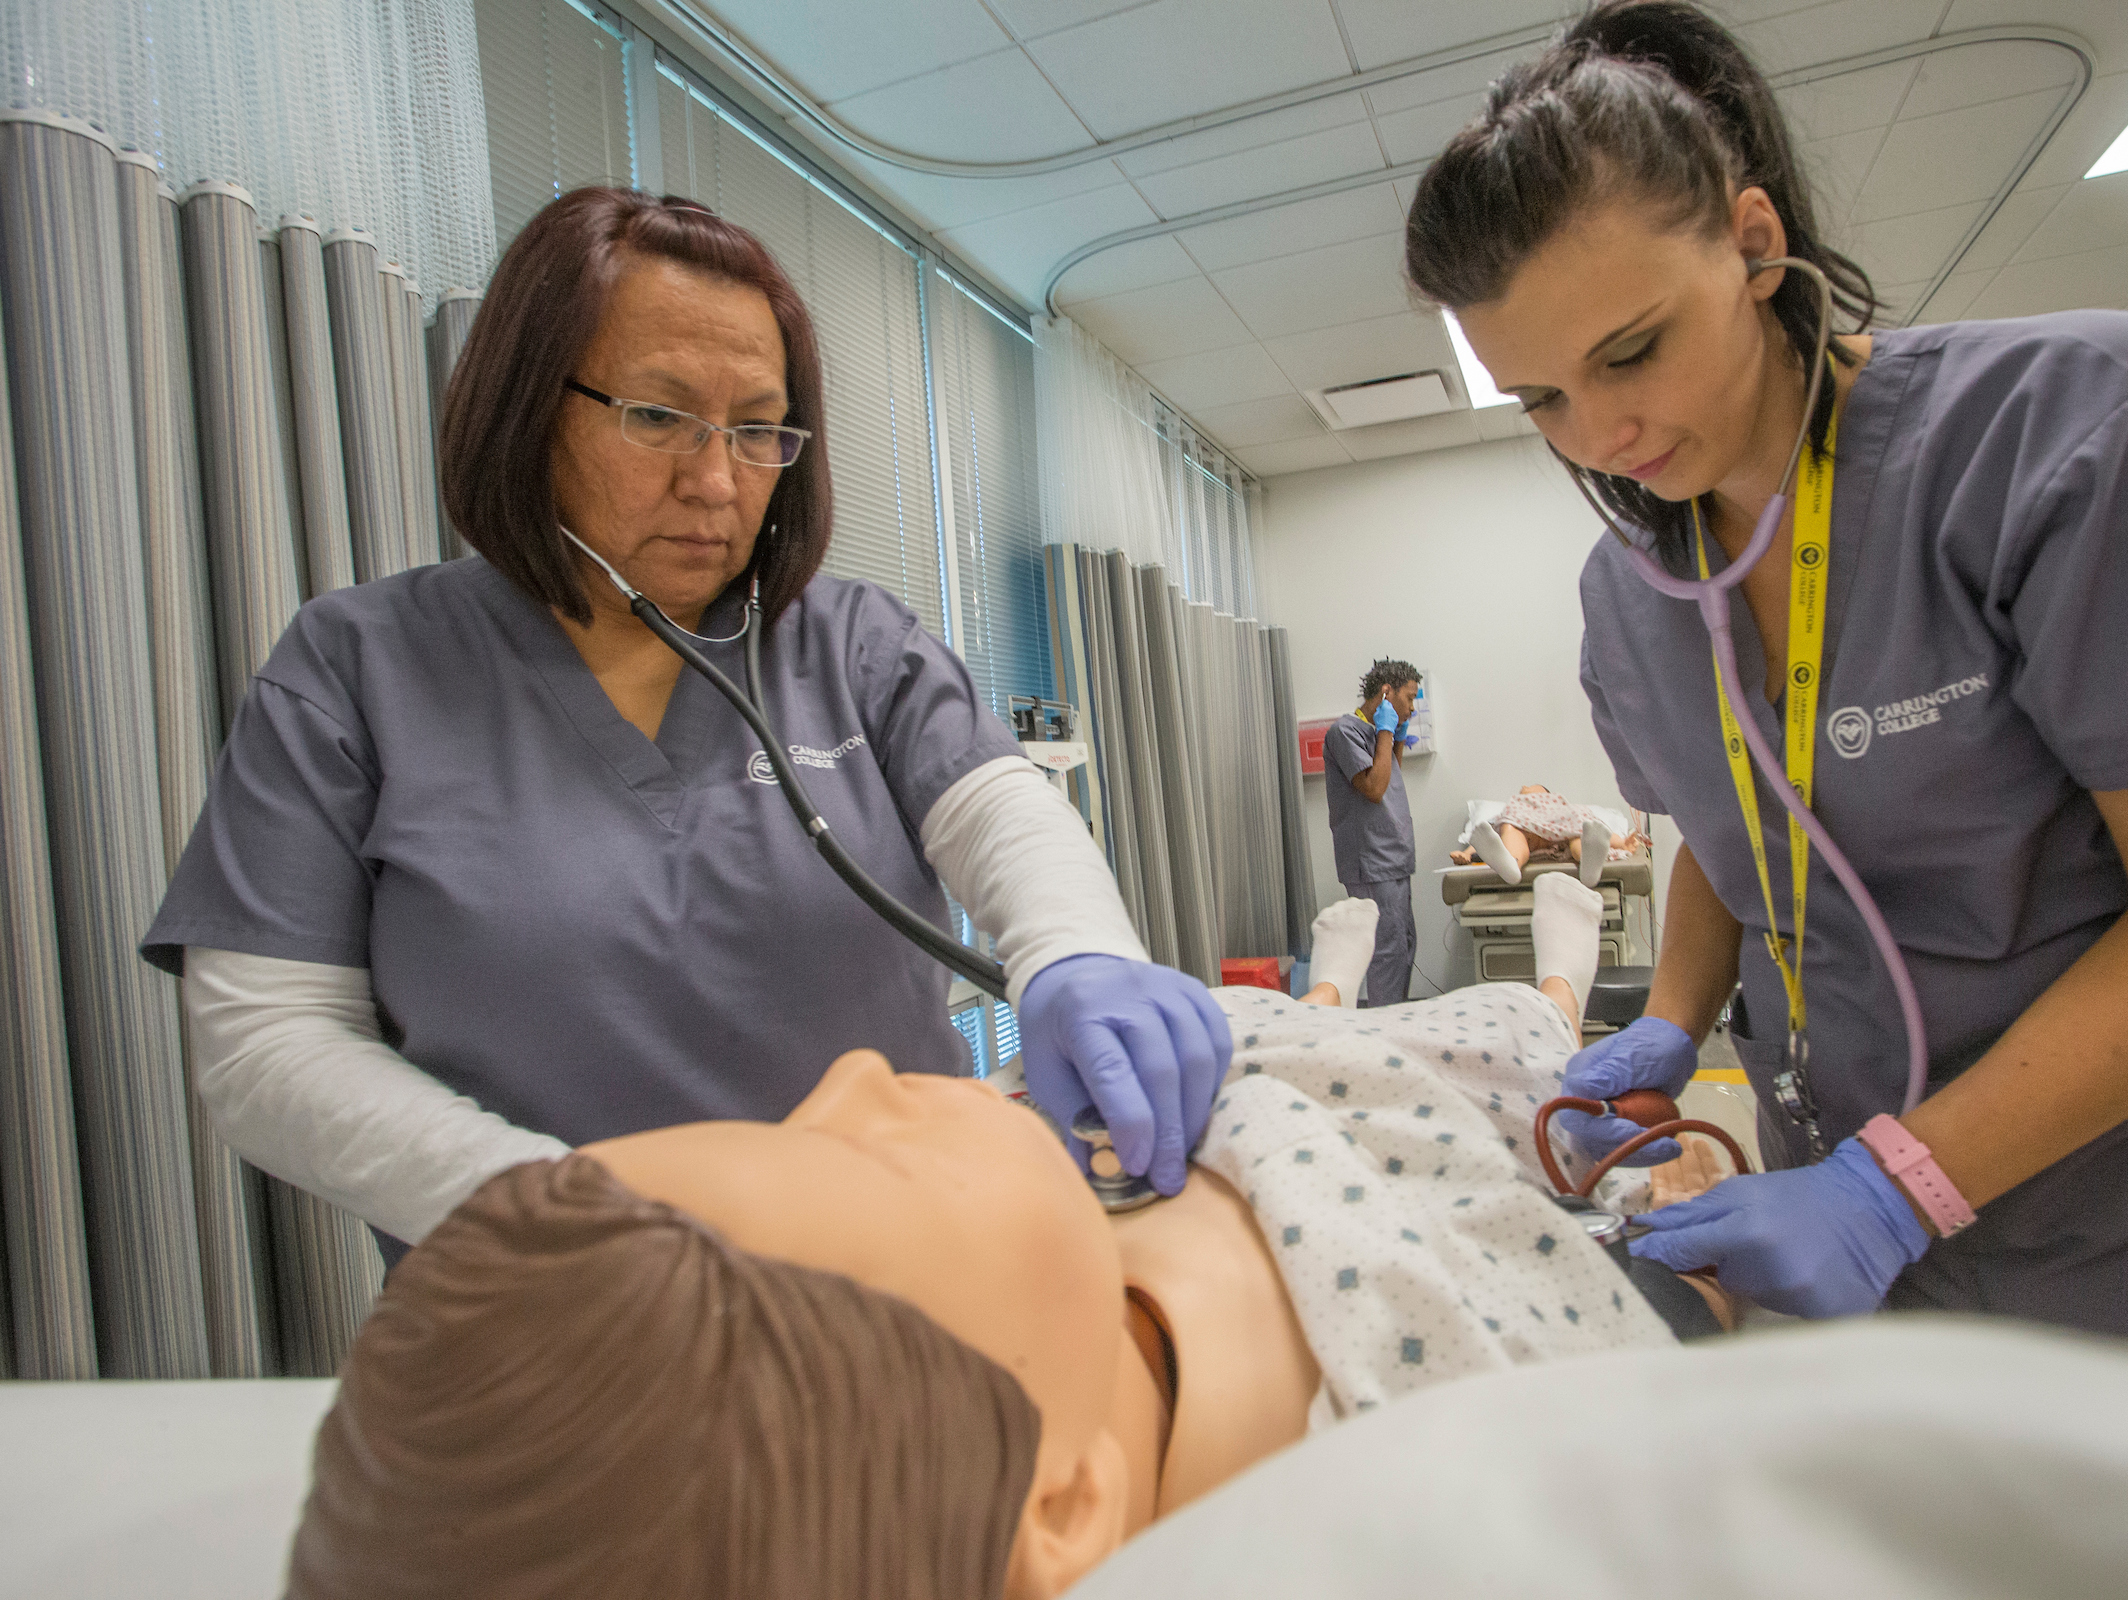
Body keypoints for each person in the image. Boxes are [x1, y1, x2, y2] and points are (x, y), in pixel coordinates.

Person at [1402, 1, 2128, 1365]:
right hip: (1892, 1285)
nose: (1602, 433)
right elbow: (1739, 833)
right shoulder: (1633, 594)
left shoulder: (2081, 432)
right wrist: (1671, 1023)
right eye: (1542, 400)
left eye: (1630, 352)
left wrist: (1895, 1187)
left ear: (1754, 242)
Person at [139, 187, 1228, 1260]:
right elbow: (268, 1043)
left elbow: (999, 812)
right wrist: (560, 1212)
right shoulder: (357, 668)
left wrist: (1077, 953)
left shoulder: (851, 644)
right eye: (658, 417)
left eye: (757, 431)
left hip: (907, 1279)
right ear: (527, 409)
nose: (716, 482)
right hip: (563, 1306)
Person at [282, 878, 1731, 1598]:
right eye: (867, 1151)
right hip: (1422, 1141)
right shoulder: (1408, 1446)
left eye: (787, 1119)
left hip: (1235, 1077)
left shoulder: (1002, 1302)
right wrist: (1684, 1258)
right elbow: (1605, 1350)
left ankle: (1332, 993)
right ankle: (1557, 980)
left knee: (1291, 1024)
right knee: (1526, 1058)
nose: (855, 1074)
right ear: (1064, 1509)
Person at [1321, 659, 1423, 1006]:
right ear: (1386, 692)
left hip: (1393, 857)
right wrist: (1385, 732)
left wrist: (1394, 737)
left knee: (1404, 945)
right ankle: (1385, 1026)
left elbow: (1389, 777)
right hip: (1372, 859)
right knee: (1387, 951)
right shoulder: (1344, 732)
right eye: (1409, 698)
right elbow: (1375, 789)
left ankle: (1397, 1019)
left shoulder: (1378, 732)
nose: (1412, 707)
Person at [1453, 784, 1647, 886]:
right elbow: (1488, 838)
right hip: (1525, 830)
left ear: (1547, 795)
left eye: (1531, 788)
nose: (1524, 788)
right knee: (1508, 829)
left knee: (1582, 830)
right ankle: (1511, 866)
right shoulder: (1514, 810)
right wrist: (1467, 854)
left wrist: (1623, 843)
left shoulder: (1564, 807)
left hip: (1564, 830)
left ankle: (1588, 862)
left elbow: (1594, 829)